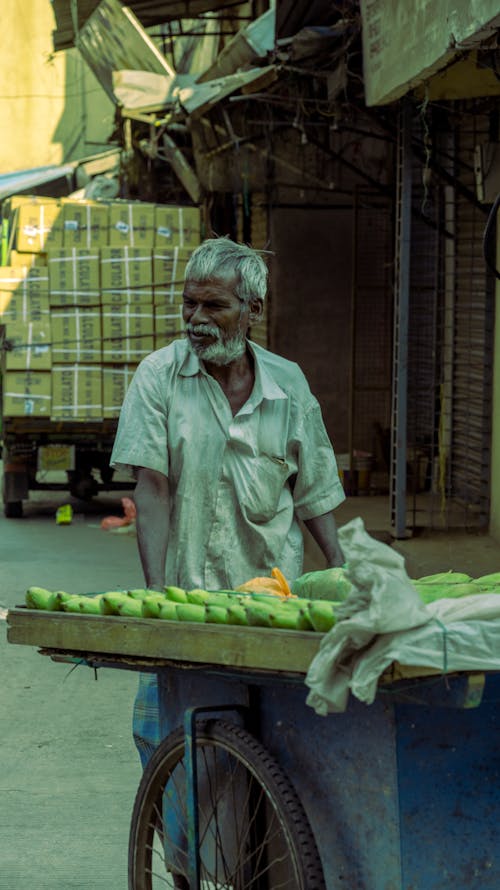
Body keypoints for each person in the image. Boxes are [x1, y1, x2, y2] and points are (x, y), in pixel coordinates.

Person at [110, 236, 345, 884]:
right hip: (190, 604)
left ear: (252, 308)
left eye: (212, 305)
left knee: (280, 767)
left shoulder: (288, 385)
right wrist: (157, 598)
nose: (194, 318)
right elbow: (151, 488)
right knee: (173, 753)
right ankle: (186, 873)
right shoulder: (159, 377)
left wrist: (349, 573)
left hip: (271, 610)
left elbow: (315, 492)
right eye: (187, 303)